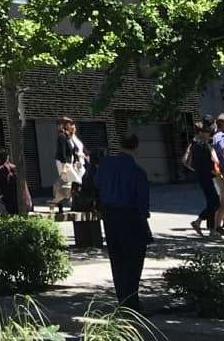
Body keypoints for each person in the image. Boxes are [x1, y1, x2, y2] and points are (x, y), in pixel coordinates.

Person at [94, 134, 151, 310]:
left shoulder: (105, 165)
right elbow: (142, 202)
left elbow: (96, 185)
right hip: (130, 216)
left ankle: (122, 299)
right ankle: (132, 299)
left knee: (116, 257)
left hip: (109, 215)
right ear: (136, 147)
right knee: (133, 259)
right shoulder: (138, 172)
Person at [185, 118, 220, 234]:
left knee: (212, 201)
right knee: (215, 202)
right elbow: (206, 162)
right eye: (208, 132)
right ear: (202, 132)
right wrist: (214, 169)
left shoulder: (196, 143)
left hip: (203, 176)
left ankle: (200, 223)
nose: (209, 134)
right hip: (207, 176)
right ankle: (208, 226)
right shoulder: (200, 145)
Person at [52, 117, 86, 213]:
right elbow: (62, 153)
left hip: (69, 163)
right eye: (70, 124)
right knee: (76, 182)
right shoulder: (61, 136)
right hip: (63, 163)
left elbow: (73, 152)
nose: (72, 126)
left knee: (68, 185)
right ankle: (65, 202)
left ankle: (56, 203)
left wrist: (75, 162)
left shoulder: (68, 137)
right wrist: (64, 167)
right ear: (65, 125)